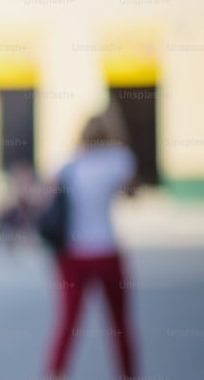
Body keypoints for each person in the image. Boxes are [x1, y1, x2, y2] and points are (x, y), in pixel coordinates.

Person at [44, 109, 139, 379]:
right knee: (119, 323)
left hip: (72, 255)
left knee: (67, 322)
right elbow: (132, 192)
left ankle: (55, 374)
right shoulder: (119, 159)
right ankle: (128, 374)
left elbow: (51, 196)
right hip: (107, 252)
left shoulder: (70, 164)